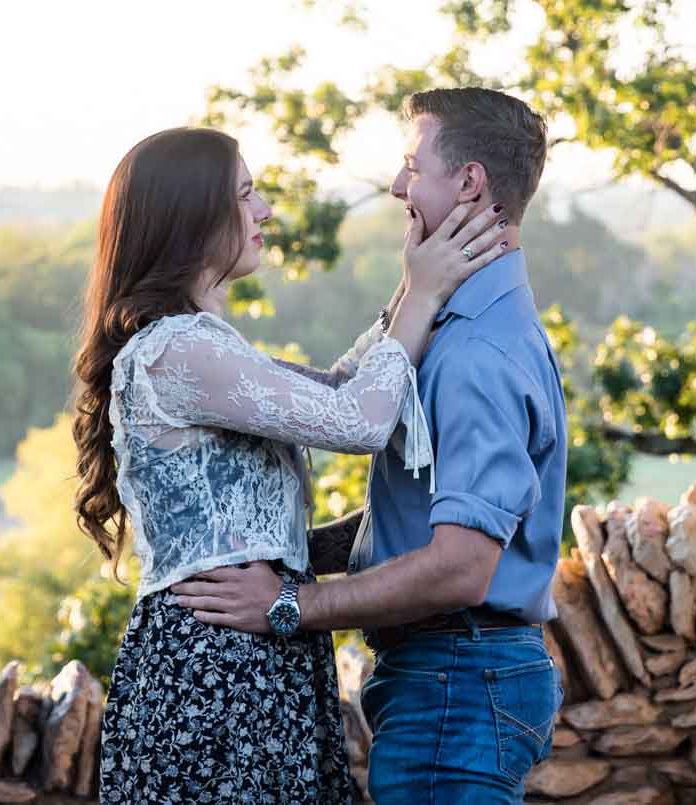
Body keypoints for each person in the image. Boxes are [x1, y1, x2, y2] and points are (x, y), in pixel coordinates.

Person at [74, 125, 510, 804]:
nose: (266, 211)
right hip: (213, 669)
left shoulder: (204, 344)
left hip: (256, 652)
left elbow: (337, 388)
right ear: (191, 219)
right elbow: (359, 420)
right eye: (246, 195)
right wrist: (423, 295)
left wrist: (407, 289)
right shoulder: (177, 349)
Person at [171, 88, 566, 804]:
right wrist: (277, 552)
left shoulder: (478, 350)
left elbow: (461, 566)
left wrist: (290, 602)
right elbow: (418, 519)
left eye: (413, 166)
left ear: (470, 183)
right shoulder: (454, 324)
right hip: (447, 676)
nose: (395, 186)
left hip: (458, 678)